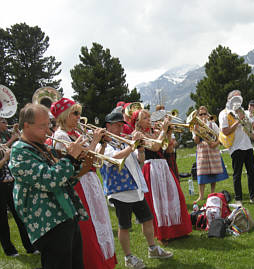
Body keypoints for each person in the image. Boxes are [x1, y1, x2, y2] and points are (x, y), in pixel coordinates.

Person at [9, 103, 88, 269]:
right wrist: (70, 159)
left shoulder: (43, 147)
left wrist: (77, 160)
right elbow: (49, 180)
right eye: (42, 126)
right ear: (26, 126)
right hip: (48, 223)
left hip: (66, 215)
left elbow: (66, 180)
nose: (48, 131)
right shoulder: (20, 151)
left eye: (48, 125)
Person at [99, 110, 173, 269]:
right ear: (108, 126)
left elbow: (140, 161)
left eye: (121, 125)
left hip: (136, 187)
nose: (120, 128)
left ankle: (152, 248)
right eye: (117, 125)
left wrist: (140, 149)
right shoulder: (103, 145)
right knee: (124, 226)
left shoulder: (124, 140)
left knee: (147, 219)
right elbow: (115, 158)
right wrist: (133, 145)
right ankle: (128, 257)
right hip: (119, 191)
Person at [51, 98, 116, 269]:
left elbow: (95, 159)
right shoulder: (60, 136)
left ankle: (105, 262)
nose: (79, 117)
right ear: (64, 116)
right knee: (89, 228)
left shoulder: (76, 133)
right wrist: (94, 141)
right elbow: (77, 166)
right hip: (79, 185)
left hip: (91, 180)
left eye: (79, 112)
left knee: (100, 222)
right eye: (75, 113)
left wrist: (102, 144)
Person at [136, 109, 192, 243]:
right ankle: (163, 234)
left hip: (163, 166)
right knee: (158, 202)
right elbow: (154, 148)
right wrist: (163, 131)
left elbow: (169, 150)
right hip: (151, 168)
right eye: (145, 118)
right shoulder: (138, 134)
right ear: (138, 122)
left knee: (175, 197)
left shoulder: (155, 132)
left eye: (149, 117)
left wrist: (168, 134)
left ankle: (179, 230)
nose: (149, 120)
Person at [218, 90, 254, 206]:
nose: (238, 99)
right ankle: (238, 199)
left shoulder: (245, 112)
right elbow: (225, 131)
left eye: (239, 97)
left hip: (247, 145)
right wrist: (238, 121)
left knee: (252, 172)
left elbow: (253, 129)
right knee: (237, 174)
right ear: (230, 99)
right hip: (235, 147)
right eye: (235, 97)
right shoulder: (225, 113)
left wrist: (253, 131)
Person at [0, 118, 37, 257]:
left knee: (20, 215)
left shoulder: (6, 135)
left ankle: (30, 246)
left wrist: (16, 133)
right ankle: (9, 250)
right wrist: (6, 156)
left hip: (11, 182)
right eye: (3, 121)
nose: (6, 124)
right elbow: (4, 152)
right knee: (2, 220)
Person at [192, 106, 228, 203]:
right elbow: (196, 141)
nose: (203, 116)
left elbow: (220, 136)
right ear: (198, 115)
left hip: (212, 149)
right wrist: (196, 130)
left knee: (213, 172)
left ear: (208, 114)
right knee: (201, 172)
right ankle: (201, 196)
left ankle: (212, 192)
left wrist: (215, 144)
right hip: (202, 149)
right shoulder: (195, 125)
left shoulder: (212, 123)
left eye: (205, 114)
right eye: (201, 114)